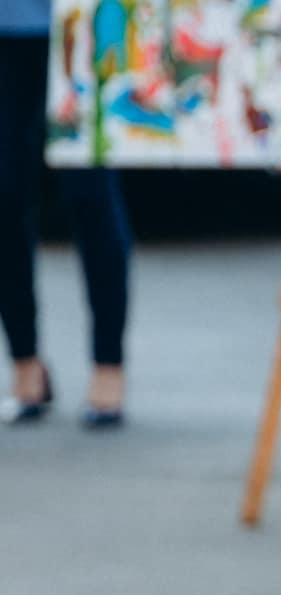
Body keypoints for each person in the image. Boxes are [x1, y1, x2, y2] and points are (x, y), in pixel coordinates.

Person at [0, 0, 131, 426]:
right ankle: (24, 361)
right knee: (6, 194)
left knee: (89, 192)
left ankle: (108, 363)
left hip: (79, 18)